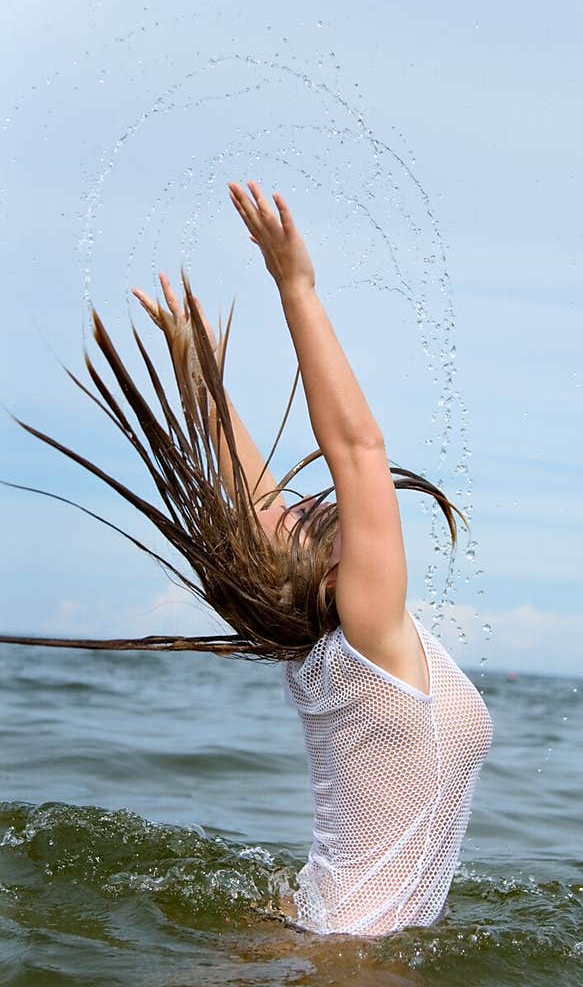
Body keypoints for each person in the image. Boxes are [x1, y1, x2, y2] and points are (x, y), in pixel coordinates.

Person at [1, 180, 494, 937]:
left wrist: (200, 376)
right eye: (300, 513)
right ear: (333, 571)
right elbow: (359, 451)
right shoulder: (370, 636)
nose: (299, 502)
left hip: (313, 928)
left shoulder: (338, 645)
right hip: (345, 958)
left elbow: (263, 498)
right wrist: (295, 285)